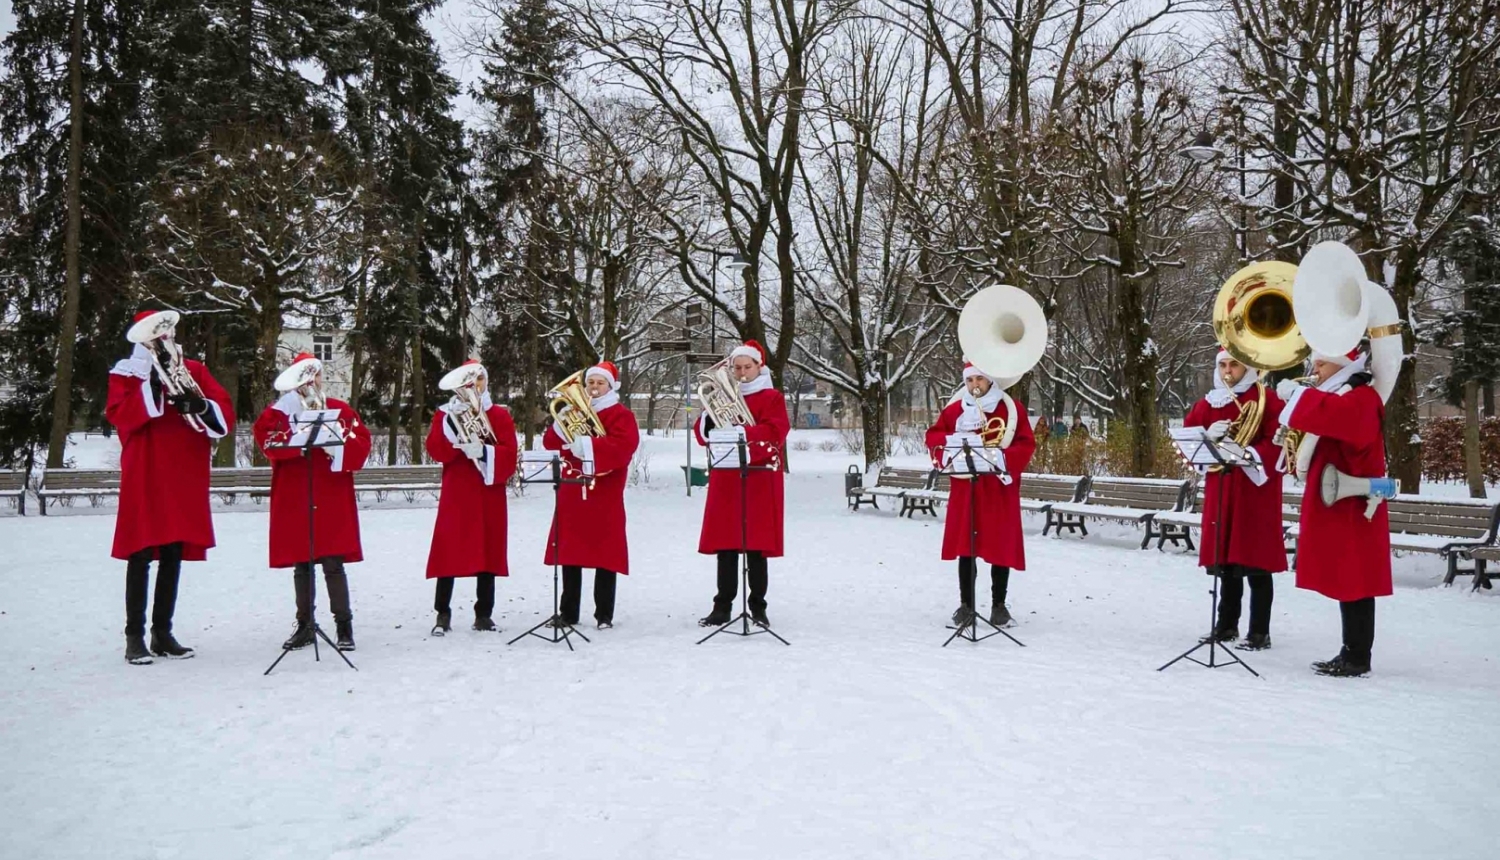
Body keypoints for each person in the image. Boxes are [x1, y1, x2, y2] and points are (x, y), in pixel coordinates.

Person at [106, 309, 235, 664]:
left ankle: (163, 632)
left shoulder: (194, 370)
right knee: (141, 550)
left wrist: (201, 405)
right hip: (146, 466)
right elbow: (119, 415)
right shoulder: (127, 373)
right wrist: (152, 389)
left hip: (184, 469)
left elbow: (223, 409)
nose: (162, 339)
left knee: (174, 550)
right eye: (155, 334)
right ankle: (134, 636)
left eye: (166, 333)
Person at [1277, 347, 1392, 677]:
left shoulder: (1360, 397)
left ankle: (1357, 656)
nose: (1316, 367)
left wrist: (1299, 397)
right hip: (1338, 500)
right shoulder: (1342, 395)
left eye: (1323, 361)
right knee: (1348, 580)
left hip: (1353, 504)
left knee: (1356, 580)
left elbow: (1340, 420)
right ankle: (1350, 650)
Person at [253, 353, 372, 652]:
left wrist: (337, 447)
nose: (311, 382)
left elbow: (361, 442)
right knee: (302, 563)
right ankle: (305, 625)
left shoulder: (340, 409)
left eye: (315, 375)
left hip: (331, 493)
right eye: (305, 376)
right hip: (297, 492)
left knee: (334, 562)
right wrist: (296, 440)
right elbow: (266, 441)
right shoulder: (278, 413)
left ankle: (344, 626)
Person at [1183, 350, 1287, 650]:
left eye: (1235, 365)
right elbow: (1189, 438)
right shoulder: (1210, 401)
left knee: (1256, 562)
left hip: (1255, 490)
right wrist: (1206, 435)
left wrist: (1245, 452)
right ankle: (1226, 625)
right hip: (1221, 488)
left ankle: (1259, 631)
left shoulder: (1266, 399)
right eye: (1223, 365)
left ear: (1248, 367)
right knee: (1225, 560)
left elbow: (1279, 442)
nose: (1228, 371)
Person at [924, 361, 1036, 628]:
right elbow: (934, 435)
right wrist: (945, 449)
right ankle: (966, 605)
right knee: (966, 547)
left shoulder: (1009, 409)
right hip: (967, 488)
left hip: (998, 487)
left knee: (1000, 546)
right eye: (970, 380)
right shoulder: (955, 410)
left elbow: (1025, 443)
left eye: (979, 380)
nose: (974, 385)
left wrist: (1003, 457)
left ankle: (999, 606)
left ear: (989, 381)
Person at [694, 340, 790, 628]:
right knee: (726, 546)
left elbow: (776, 430)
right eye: (736, 367)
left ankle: (758, 607)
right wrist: (710, 423)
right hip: (727, 478)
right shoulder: (722, 395)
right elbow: (703, 434)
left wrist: (744, 432)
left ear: (759, 367)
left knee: (756, 547)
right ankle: (722, 606)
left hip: (760, 477)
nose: (742, 372)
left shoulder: (772, 397)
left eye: (748, 367)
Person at [541, 361, 640, 629]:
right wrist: (561, 428)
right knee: (570, 554)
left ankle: (604, 614)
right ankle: (568, 612)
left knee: (605, 554)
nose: (594, 388)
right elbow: (550, 443)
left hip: (604, 491)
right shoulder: (573, 412)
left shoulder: (621, 415)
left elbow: (624, 447)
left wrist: (587, 444)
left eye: (600, 383)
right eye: (590, 383)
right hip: (573, 489)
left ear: (611, 386)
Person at [425, 360, 518, 635]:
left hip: (488, 490)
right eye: (468, 382)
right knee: (448, 549)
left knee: (488, 549)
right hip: (457, 489)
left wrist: (485, 452)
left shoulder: (499, 415)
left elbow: (510, 454)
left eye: (478, 380)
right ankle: (442, 612)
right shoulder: (445, 415)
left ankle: (484, 613)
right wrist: (454, 436)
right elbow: (436, 450)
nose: (473, 386)